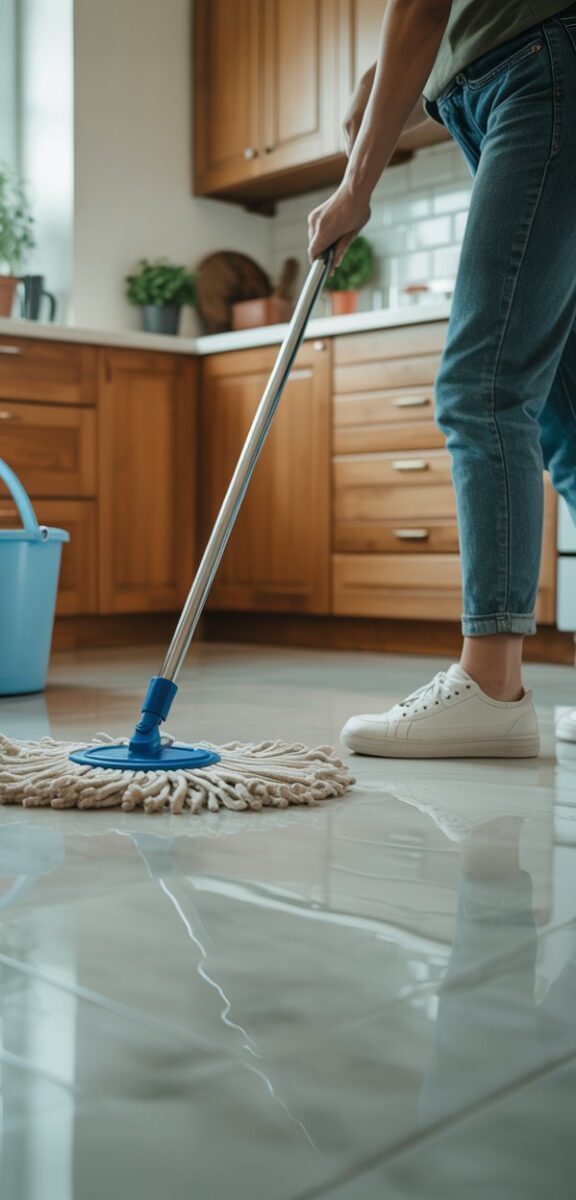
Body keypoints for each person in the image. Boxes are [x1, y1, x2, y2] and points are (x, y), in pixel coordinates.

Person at [308, 0, 576, 759]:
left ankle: (492, 685)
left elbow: (421, 5)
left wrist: (356, 186)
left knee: (483, 389)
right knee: (565, 419)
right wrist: (385, 75)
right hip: (517, 80)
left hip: (541, 71)